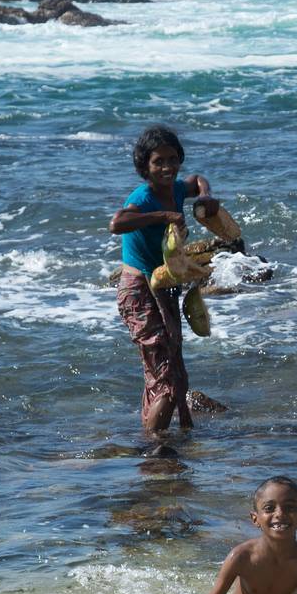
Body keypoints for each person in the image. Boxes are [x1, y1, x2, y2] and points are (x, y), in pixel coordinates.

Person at [109, 125, 212, 433]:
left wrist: (206, 197)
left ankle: (180, 436)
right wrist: (163, 217)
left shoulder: (177, 188)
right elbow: (117, 223)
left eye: (172, 159)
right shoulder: (144, 197)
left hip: (165, 287)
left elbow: (197, 181)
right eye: (158, 162)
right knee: (165, 379)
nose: (167, 167)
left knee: (175, 373)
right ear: (145, 167)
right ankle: (154, 452)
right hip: (139, 291)